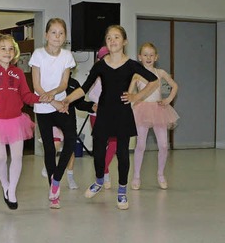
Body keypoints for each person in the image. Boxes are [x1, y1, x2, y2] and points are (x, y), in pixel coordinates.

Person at [61, 25, 160, 210]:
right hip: (104, 112)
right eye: (109, 38)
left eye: (116, 37)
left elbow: (154, 81)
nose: (112, 40)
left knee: (122, 154)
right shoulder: (100, 65)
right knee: (98, 152)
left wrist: (136, 97)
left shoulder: (132, 65)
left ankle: (122, 191)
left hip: (122, 113)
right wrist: (67, 99)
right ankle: (99, 180)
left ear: (124, 41)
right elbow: (84, 88)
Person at [0, 34, 52, 210]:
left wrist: (42, 98)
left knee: (17, 157)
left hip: (16, 121)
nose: (7, 52)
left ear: (15, 52)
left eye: (10, 48)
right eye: (3, 48)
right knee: (0, 157)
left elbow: (27, 96)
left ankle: (12, 191)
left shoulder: (18, 73)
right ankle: (5, 186)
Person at [28, 18, 76, 209]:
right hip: (43, 107)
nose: (57, 36)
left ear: (65, 37)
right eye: (53, 32)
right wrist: (52, 101)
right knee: (49, 148)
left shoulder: (67, 56)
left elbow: (64, 84)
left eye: (61, 33)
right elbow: (37, 86)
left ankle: (56, 179)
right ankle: (53, 193)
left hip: (61, 104)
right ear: (46, 35)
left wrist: (56, 97)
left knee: (71, 140)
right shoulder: (38, 54)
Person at [130, 42, 179, 190]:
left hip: (159, 110)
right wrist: (131, 102)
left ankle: (160, 174)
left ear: (156, 57)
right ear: (140, 57)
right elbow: (129, 93)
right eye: (145, 55)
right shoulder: (137, 75)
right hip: (141, 110)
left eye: (151, 55)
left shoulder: (160, 73)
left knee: (164, 145)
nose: (148, 57)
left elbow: (175, 86)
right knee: (141, 145)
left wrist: (168, 99)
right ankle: (136, 176)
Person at [41, 76, 96, 190]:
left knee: (70, 149)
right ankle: (50, 170)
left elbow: (80, 104)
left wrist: (91, 106)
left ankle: (70, 176)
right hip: (51, 119)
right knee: (53, 145)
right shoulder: (49, 80)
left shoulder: (74, 83)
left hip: (68, 121)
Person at [87, 46, 118, 189]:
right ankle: (103, 172)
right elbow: (90, 94)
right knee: (100, 144)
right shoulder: (94, 74)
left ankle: (104, 170)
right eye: (103, 58)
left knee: (114, 143)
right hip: (97, 114)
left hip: (113, 114)